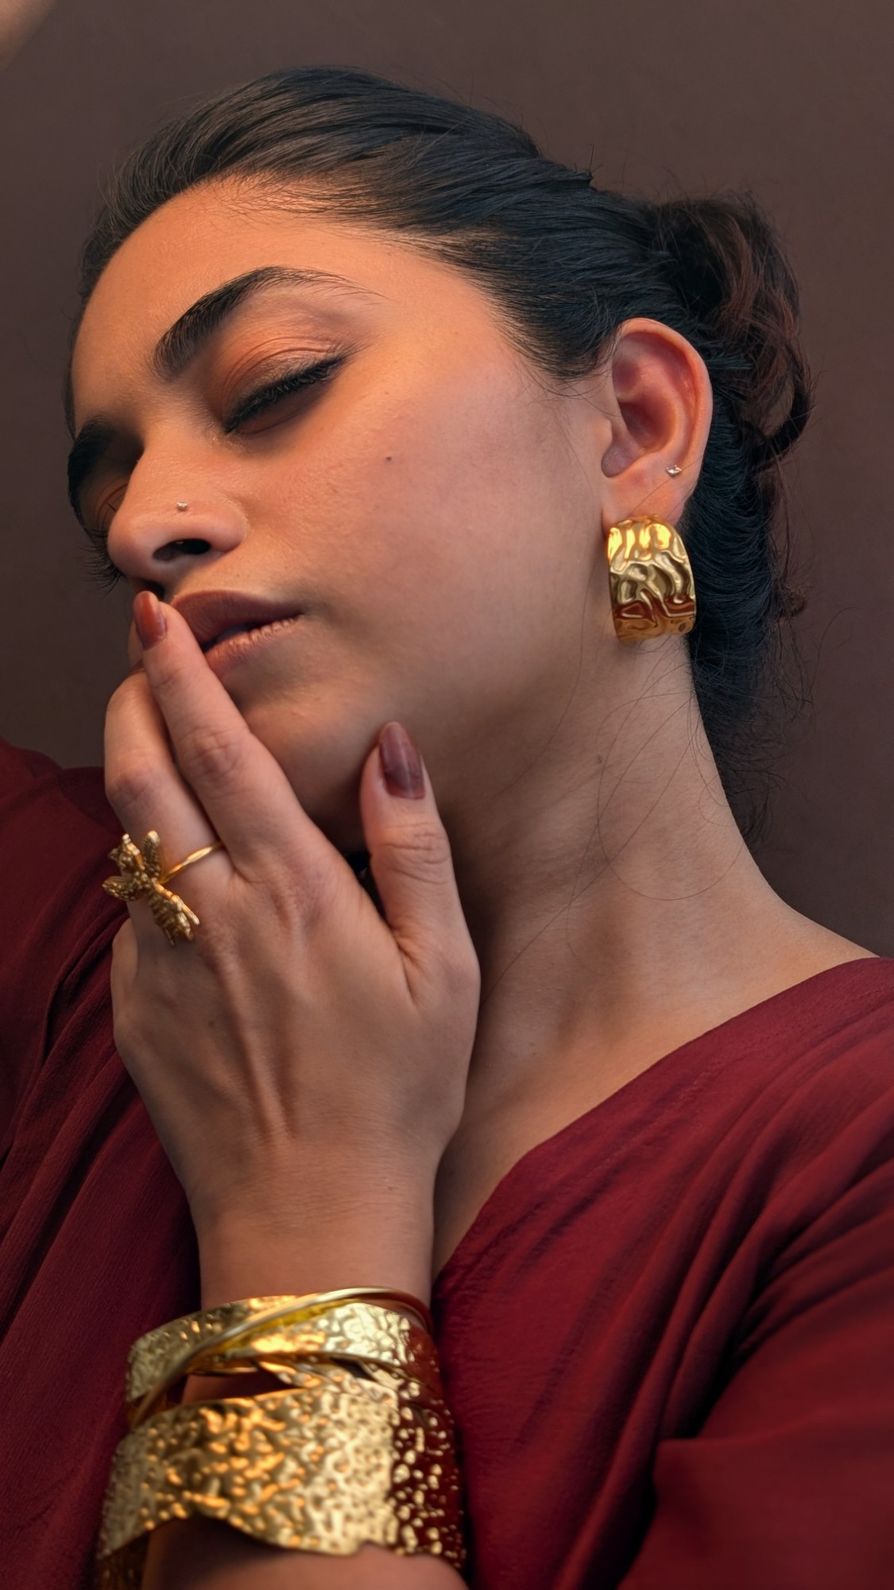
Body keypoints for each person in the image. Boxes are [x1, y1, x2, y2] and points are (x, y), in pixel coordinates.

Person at [1, 63, 892, 1590]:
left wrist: (298, 1221)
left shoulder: (851, 1175)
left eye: (273, 386)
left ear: (631, 425)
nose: (148, 523)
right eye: (111, 504)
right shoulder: (104, 955)